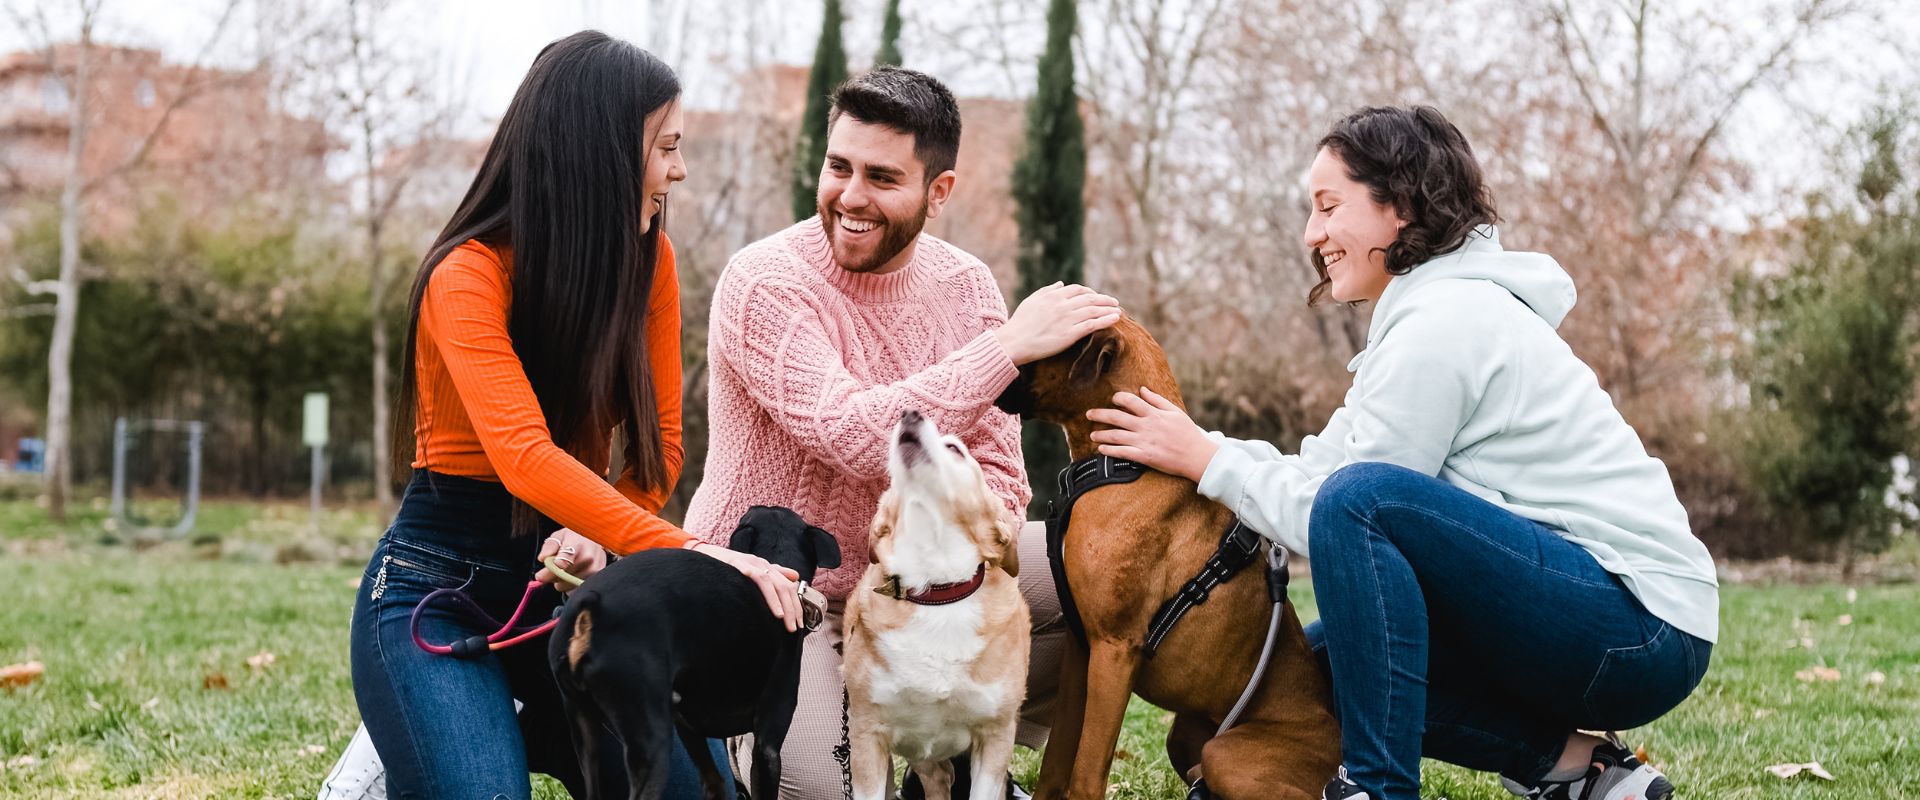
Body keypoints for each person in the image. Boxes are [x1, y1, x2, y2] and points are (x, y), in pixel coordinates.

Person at [1084, 105, 1716, 800]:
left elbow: (1344, 508)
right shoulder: (1421, 319)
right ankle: (1582, 771)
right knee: (1311, 670)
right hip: (1593, 619)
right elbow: (1322, 470)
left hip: (1639, 629)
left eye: (1329, 206)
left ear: (1402, 206)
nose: (1311, 233)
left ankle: (1377, 790)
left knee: (1361, 502)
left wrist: (1210, 462)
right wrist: (1201, 448)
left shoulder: (1444, 323)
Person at [338, 31, 802, 800]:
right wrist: (702, 552)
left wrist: (598, 528)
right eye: (665, 148)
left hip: (570, 597)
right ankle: (434, 726)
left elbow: (661, 451)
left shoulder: (652, 261)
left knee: (693, 791)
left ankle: (465, 728)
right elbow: (522, 456)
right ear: (598, 153)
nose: (678, 170)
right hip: (435, 587)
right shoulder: (466, 275)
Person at [685, 66, 1122, 799]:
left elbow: (1003, 477)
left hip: (919, 584)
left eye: (882, 177)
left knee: (1108, 572)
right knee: (819, 789)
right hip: (788, 595)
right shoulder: (763, 281)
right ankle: (826, 739)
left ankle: (973, 750)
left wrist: (943, 591)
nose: (851, 197)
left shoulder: (968, 286)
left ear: (938, 192)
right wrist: (1006, 350)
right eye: (838, 167)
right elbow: (850, 431)